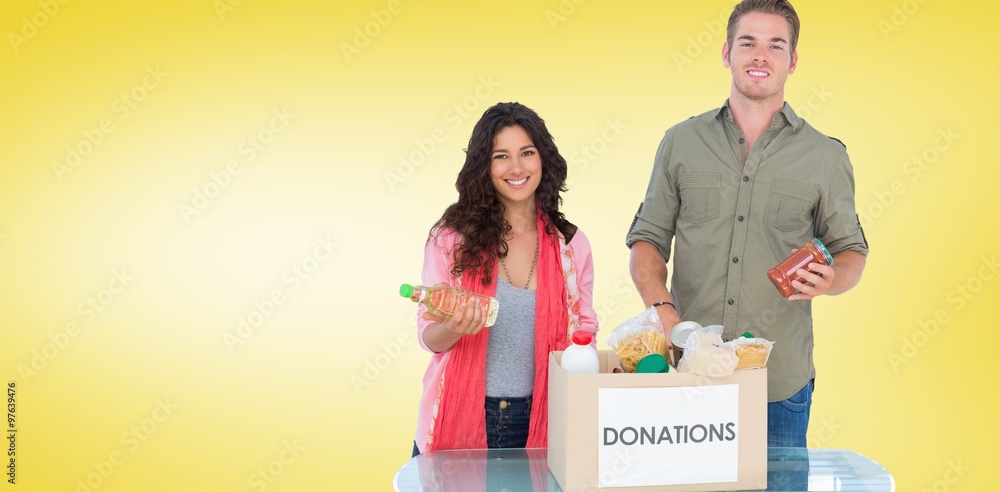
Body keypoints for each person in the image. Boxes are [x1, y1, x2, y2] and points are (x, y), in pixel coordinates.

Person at [626, 0, 868, 448]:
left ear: (792, 61)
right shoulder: (680, 142)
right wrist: (664, 312)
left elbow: (852, 250)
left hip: (778, 386)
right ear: (726, 53)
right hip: (688, 373)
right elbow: (648, 241)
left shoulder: (826, 156)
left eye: (776, 45)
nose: (761, 55)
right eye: (748, 43)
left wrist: (832, 279)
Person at [412, 102, 597, 456]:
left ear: (543, 158)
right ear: (484, 165)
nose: (516, 167)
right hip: (462, 414)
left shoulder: (571, 246)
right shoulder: (452, 238)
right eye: (501, 156)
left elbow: (584, 332)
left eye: (526, 152)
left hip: (545, 418)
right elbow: (429, 337)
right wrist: (453, 327)